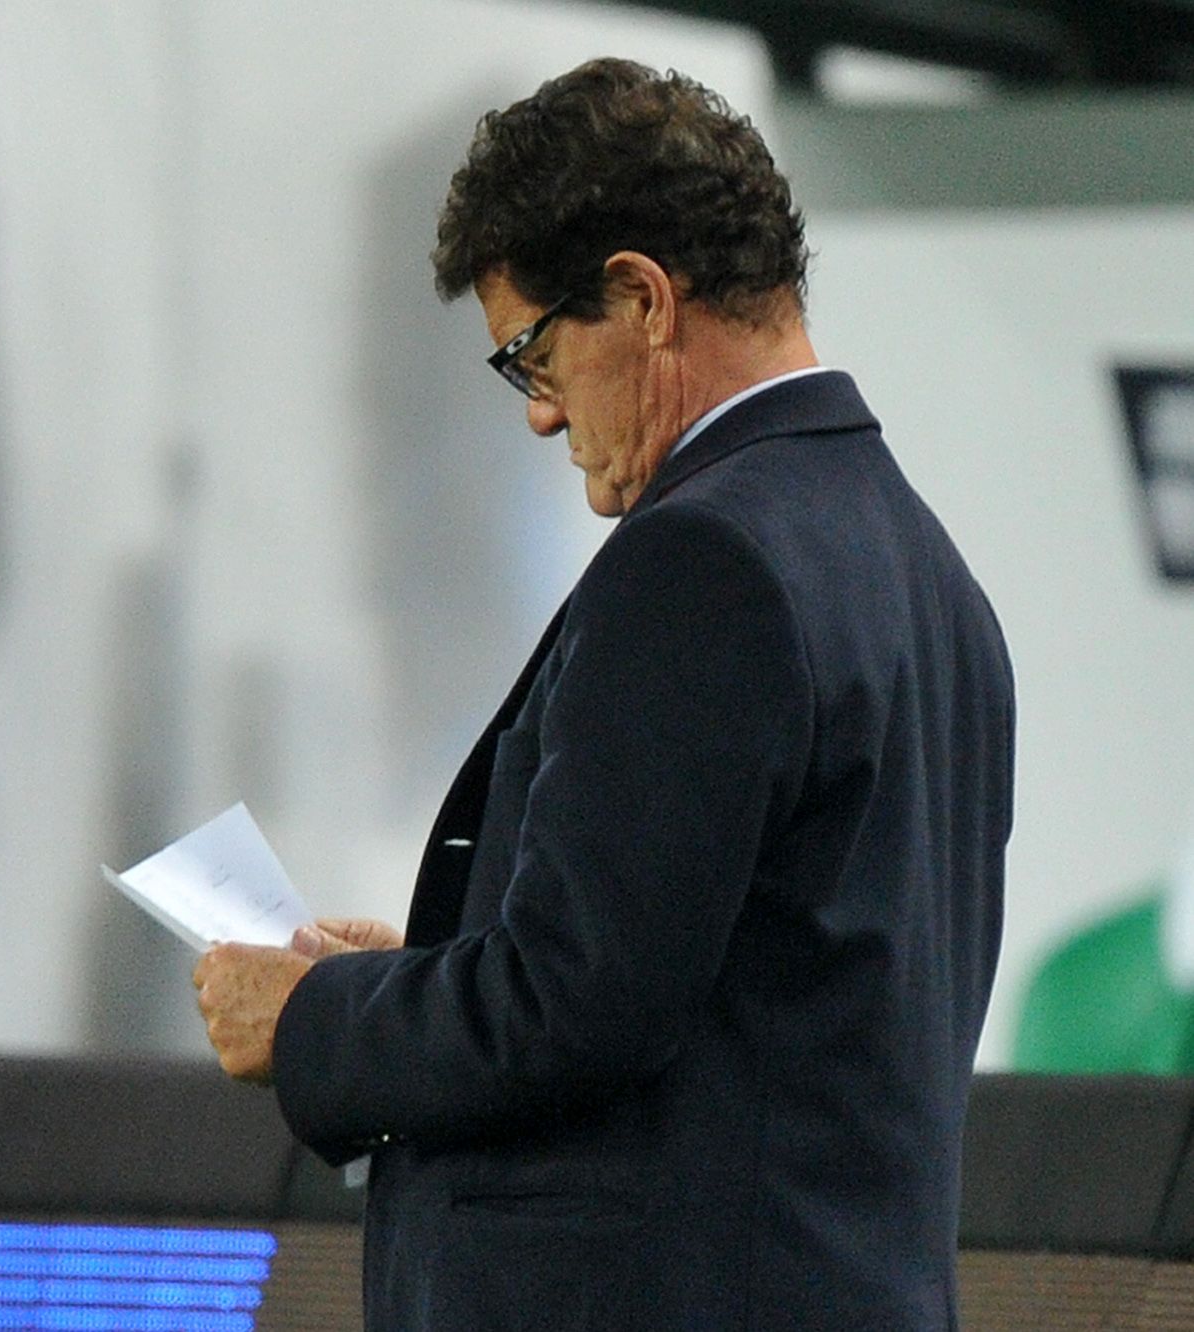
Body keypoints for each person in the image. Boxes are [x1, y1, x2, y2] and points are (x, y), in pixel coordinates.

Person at [193, 57, 1013, 1330]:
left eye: (532, 354)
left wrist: (315, 1021)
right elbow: (730, 985)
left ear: (639, 299)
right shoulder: (920, 565)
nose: (538, 416)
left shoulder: (706, 561)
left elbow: (572, 1009)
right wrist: (432, 972)